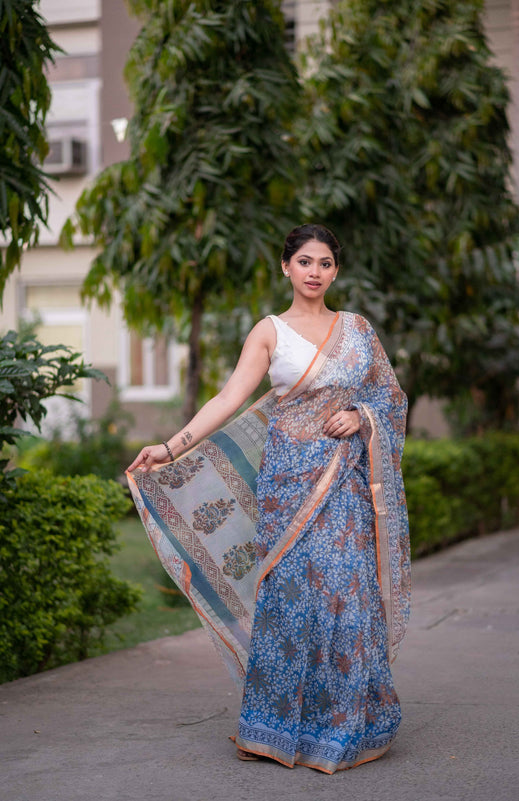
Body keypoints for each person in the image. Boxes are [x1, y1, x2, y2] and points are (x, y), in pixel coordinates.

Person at [126, 223, 410, 774]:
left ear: (335, 271)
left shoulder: (357, 330)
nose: (314, 272)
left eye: (325, 263)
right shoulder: (270, 331)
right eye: (304, 261)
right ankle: (274, 726)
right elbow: (231, 396)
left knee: (344, 595)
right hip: (287, 482)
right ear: (286, 267)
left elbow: (389, 396)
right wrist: (168, 447)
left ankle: (343, 726)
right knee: (291, 599)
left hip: (344, 477)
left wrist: (361, 416)